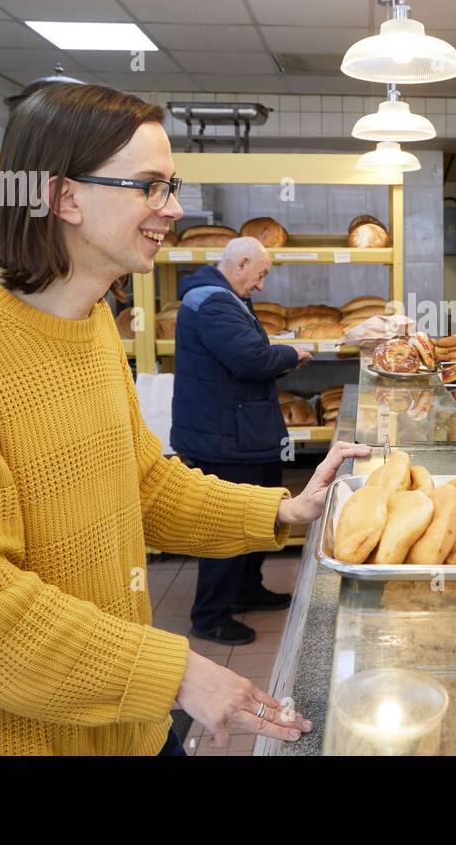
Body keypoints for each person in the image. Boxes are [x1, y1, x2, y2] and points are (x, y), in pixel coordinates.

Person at [0, 83, 368, 755]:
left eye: (173, 185)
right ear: (65, 196)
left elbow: (142, 486)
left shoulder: (94, 318)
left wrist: (285, 511)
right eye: (152, 187)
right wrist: (179, 674)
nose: (176, 207)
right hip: (5, 737)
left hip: (119, 720)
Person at [171, 236, 313, 646]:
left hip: (241, 432)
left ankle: (247, 589)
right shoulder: (212, 302)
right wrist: (291, 354)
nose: (262, 286)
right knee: (226, 525)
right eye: (261, 275)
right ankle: (211, 615)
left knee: (261, 514)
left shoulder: (221, 298)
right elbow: (250, 359)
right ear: (242, 264)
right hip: (224, 439)